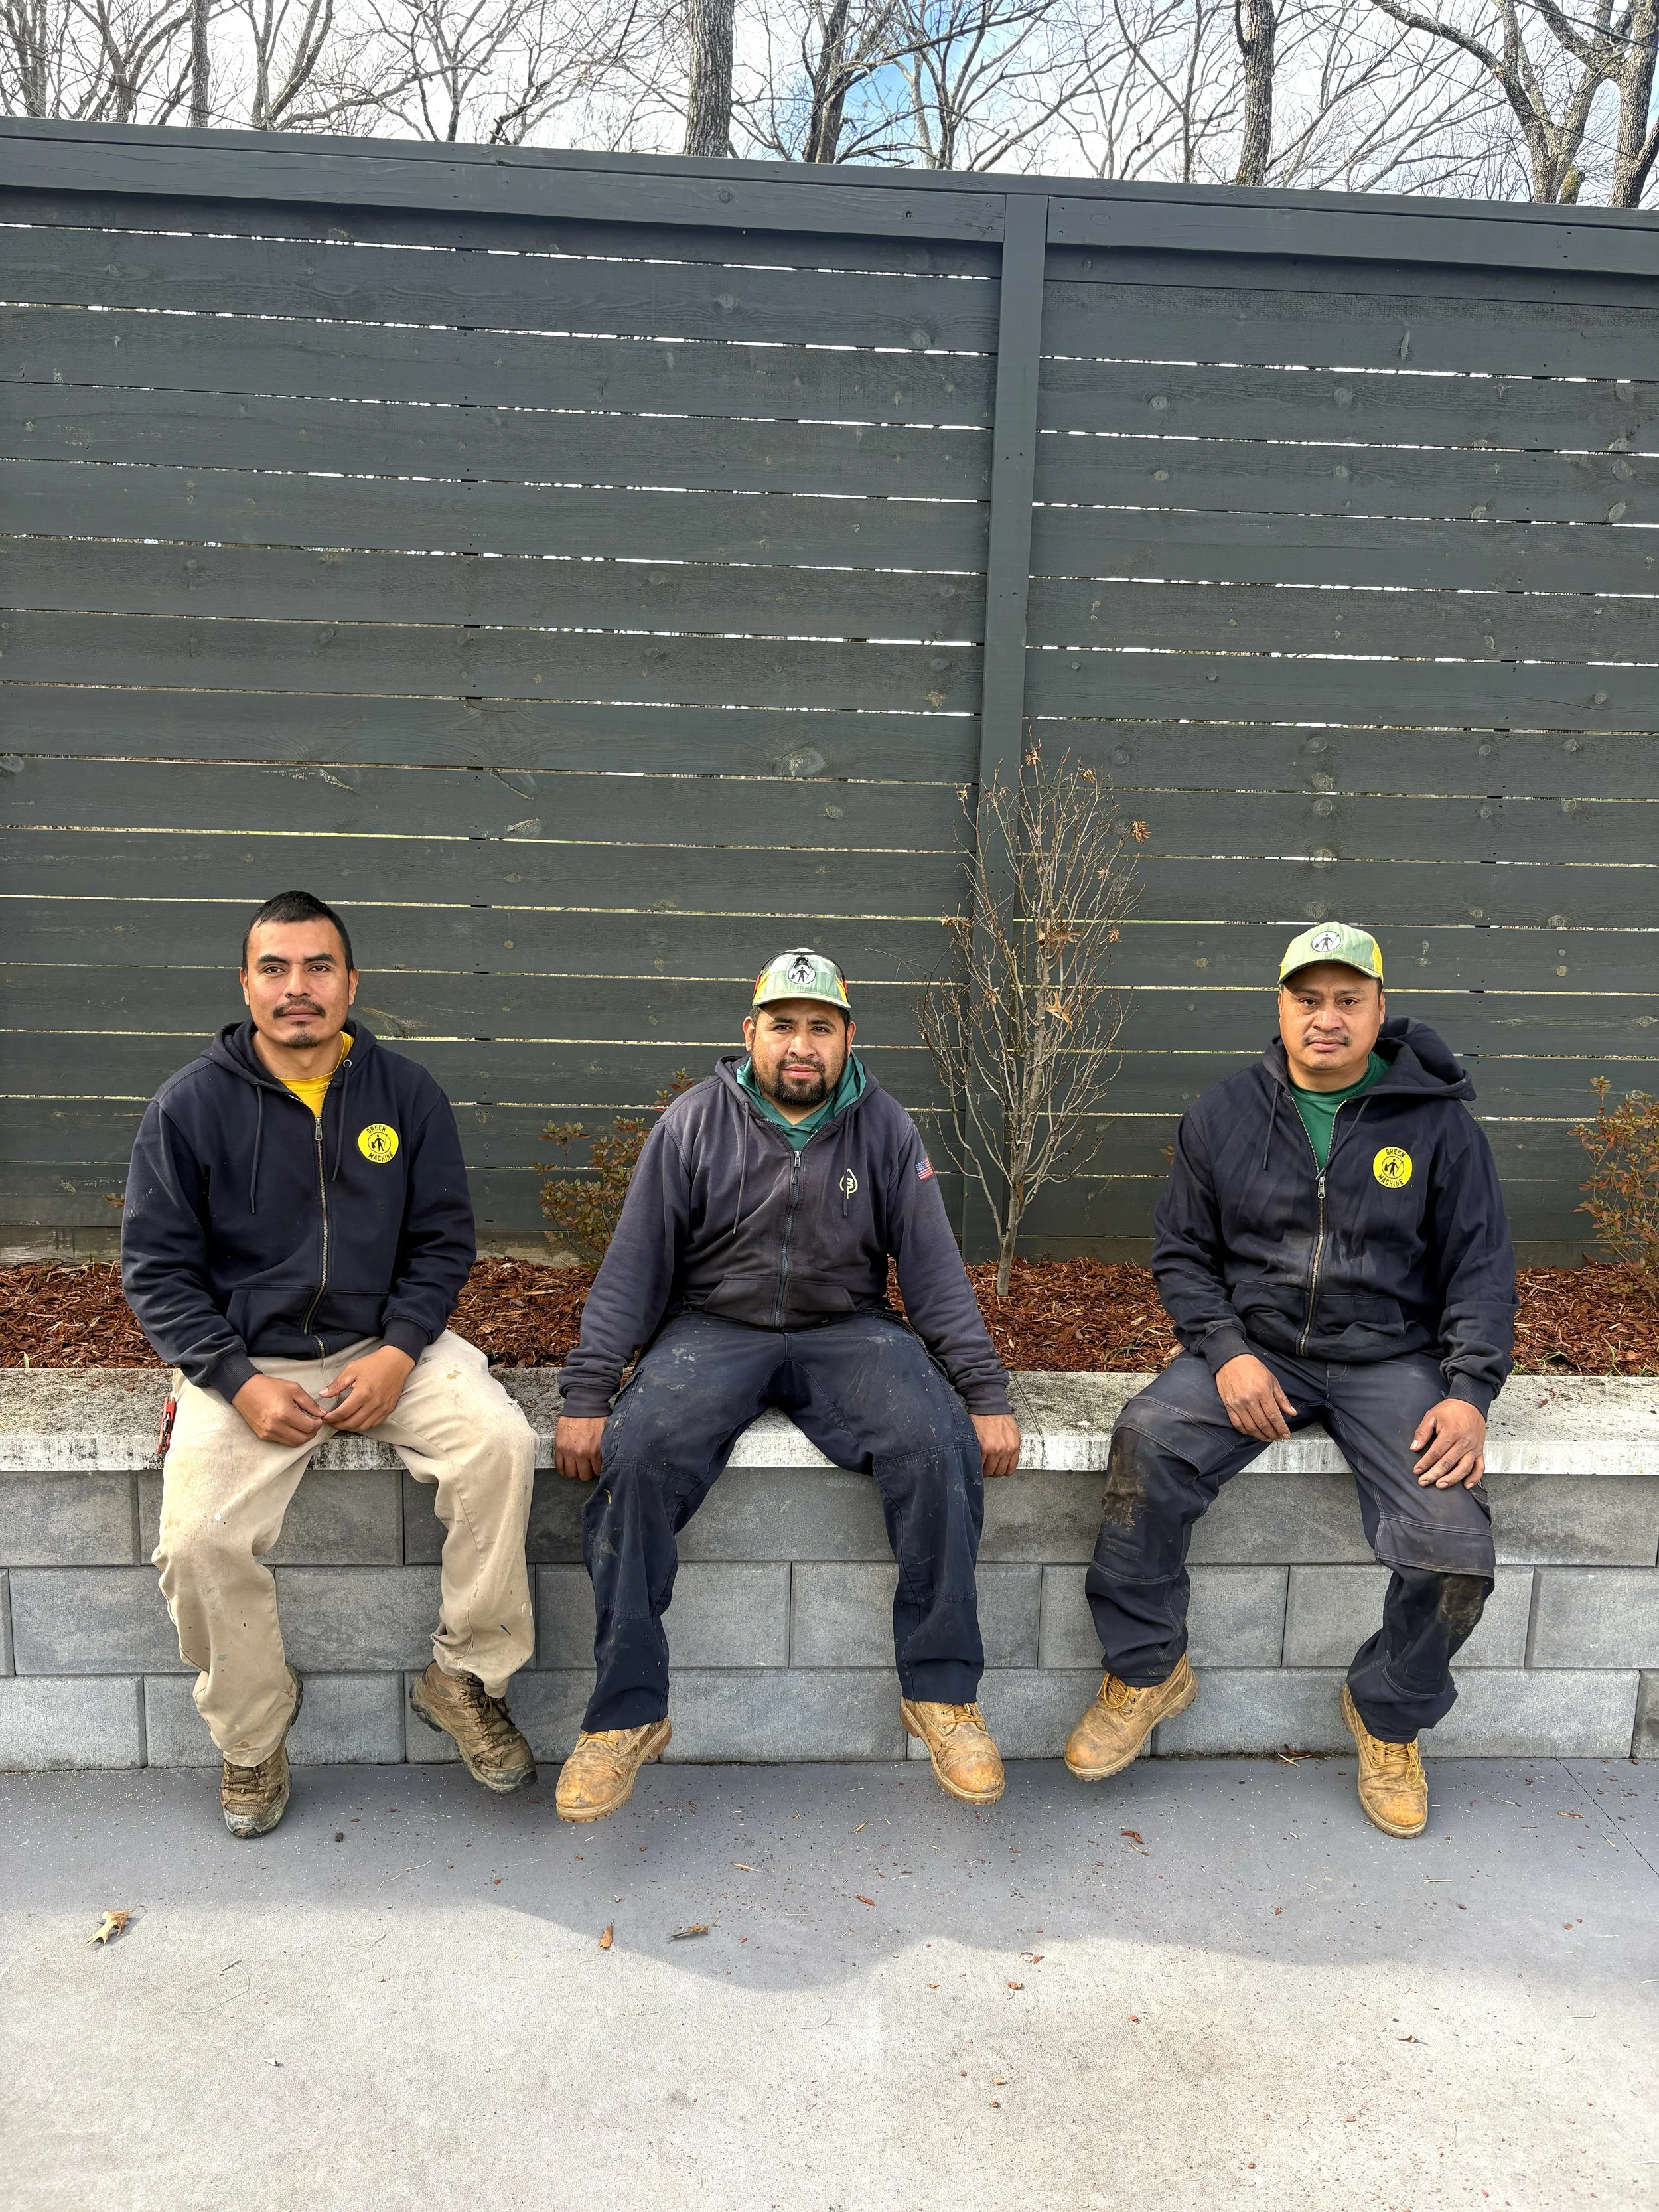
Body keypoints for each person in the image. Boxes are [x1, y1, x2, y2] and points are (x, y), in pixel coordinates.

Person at [1064, 923, 1514, 1838]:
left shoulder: (1437, 1125)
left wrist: (1468, 1396)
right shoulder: (1224, 1114)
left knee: (1452, 1549)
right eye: (1309, 1000)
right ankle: (1147, 1670)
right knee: (1146, 1443)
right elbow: (1182, 1255)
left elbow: (1481, 1267)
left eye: (1349, 1000)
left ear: (1380, 1011)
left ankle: (1387, 1715)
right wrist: (1224, 1350)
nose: (1327, 1018)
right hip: (1258, 1347)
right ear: (1281, 1008)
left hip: (1392, 1360)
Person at [551, 948, 1023, 1822]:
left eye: (819, 1027)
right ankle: (625, 1716)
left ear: (848, 1038)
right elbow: (631, 1272)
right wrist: (587, 1396)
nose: (799, 1045)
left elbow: (934, 1274)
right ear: (750, 1034)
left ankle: (941, 1693)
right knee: (639, 1453)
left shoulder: (885, 1129)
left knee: (935, 1443)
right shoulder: (693, 1123)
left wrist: (984, 1396)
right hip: (711, 1330)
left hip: (846, 1331)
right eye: (782, 1026)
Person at [121, 890, 538, 1838]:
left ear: (352, 983)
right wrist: (235, 1380)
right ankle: (252, 1735)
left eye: (318, 968)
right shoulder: (189, 1106)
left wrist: (399, 1351)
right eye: (276, 968)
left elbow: (441, 1245)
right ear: (245, 984)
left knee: (499, 1446)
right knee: (197, 1543)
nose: (297, 988)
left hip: (386, 1344)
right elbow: (155, 1274)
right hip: (245, 1357)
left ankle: (464, 1675)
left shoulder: (407, 1097)